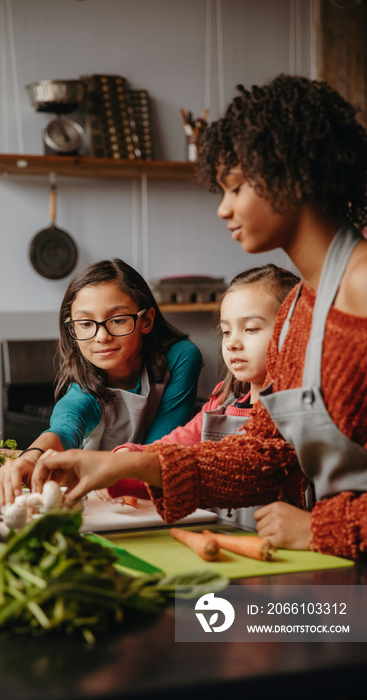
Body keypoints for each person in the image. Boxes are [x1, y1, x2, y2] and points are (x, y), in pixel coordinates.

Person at [30, 74, 367, 560]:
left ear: (291, 173)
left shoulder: (359, 288)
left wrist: (321, 528)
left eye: (233, 188)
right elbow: (265, 456)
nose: (223, 209)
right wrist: (124, 466)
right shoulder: (297, 308)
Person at [103, 263, 299, 532]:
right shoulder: (223, 401)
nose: (232, 343)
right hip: (222, 541)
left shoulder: (297, 412)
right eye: (227, 331)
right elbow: (181, 442)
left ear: (294, 335)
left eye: (250, 329)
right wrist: (128, 456)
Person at [0, 258, 203, 505]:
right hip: (97, 496)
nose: (102, 336)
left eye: (118, 320)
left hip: (153, 481)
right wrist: (30, 458)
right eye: (85, 323)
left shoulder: (181, 358)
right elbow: (64, 428)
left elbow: (160, 444)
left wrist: (127, 476)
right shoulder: (83, 384)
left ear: (146, 321)